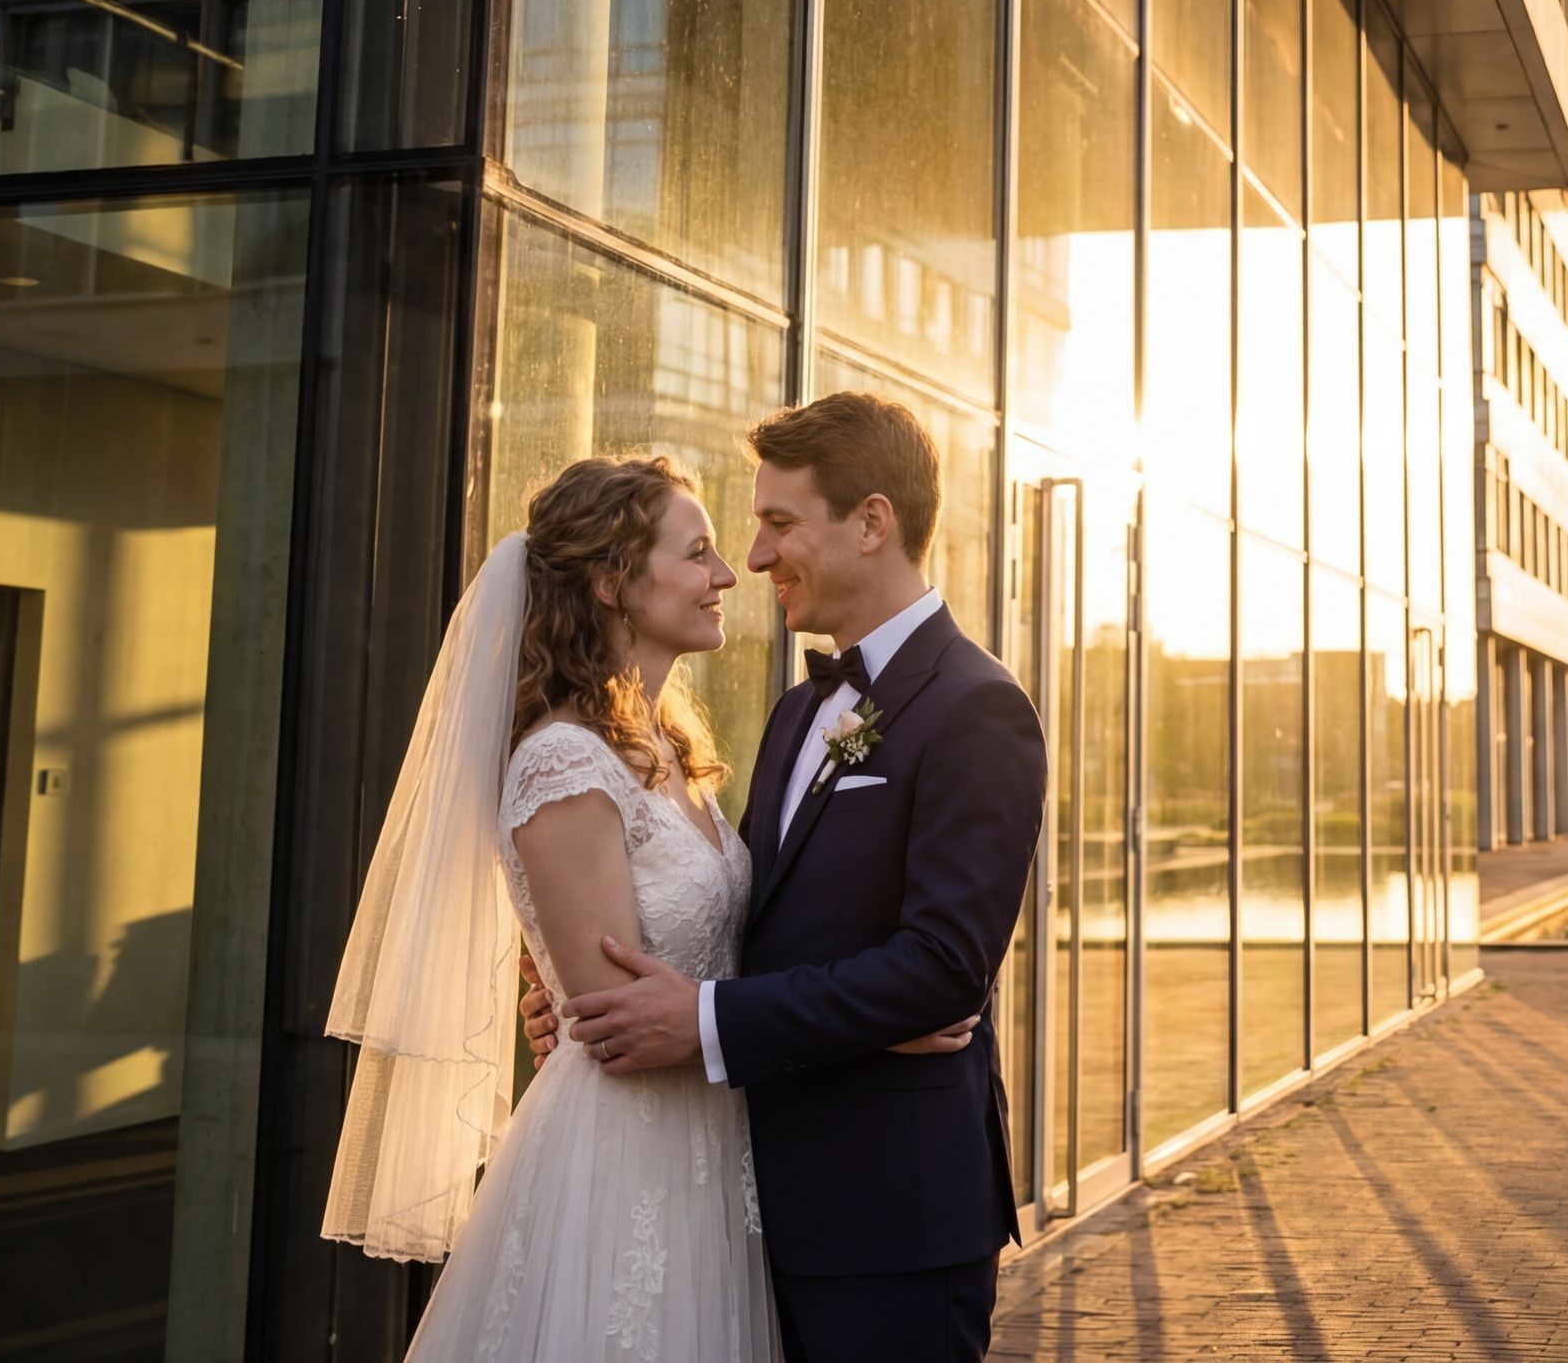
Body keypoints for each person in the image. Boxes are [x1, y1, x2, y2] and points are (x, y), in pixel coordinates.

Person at [320, 452, 977, 1360]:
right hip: (628, 1163)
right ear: (610, 582)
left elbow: (721, 950)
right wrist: (872, 1021)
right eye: (699, 551)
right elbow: (622, 1024)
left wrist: (883, 1011)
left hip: (718, 1152)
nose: (727, 573)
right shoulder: (562, 761)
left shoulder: (667, 749)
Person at [550, 393, 1046, 1363]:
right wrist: (576, 996)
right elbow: (741, 921)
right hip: (743, 1207)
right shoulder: (794, 714)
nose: (758, 555)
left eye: (780, 523)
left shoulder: (977, 710)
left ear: (871, 523)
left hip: (888, 1222)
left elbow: (945, 968)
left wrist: (702, 1022)